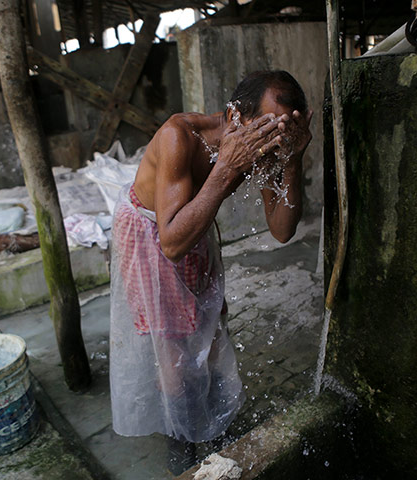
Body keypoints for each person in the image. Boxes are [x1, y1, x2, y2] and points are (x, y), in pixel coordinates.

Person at [109, 70, 313, 472]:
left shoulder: (265, 145)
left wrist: (292, 158)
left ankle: (211, 425)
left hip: (193, 226)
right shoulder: (178, 137)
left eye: (282, 132)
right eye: (267, 129)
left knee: (210, 334)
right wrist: (224, 172)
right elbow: (170, 243)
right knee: (172, 350)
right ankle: (181, 438)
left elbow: (282, 229)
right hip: (153, 234)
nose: (270, 142)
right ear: (236, 116)